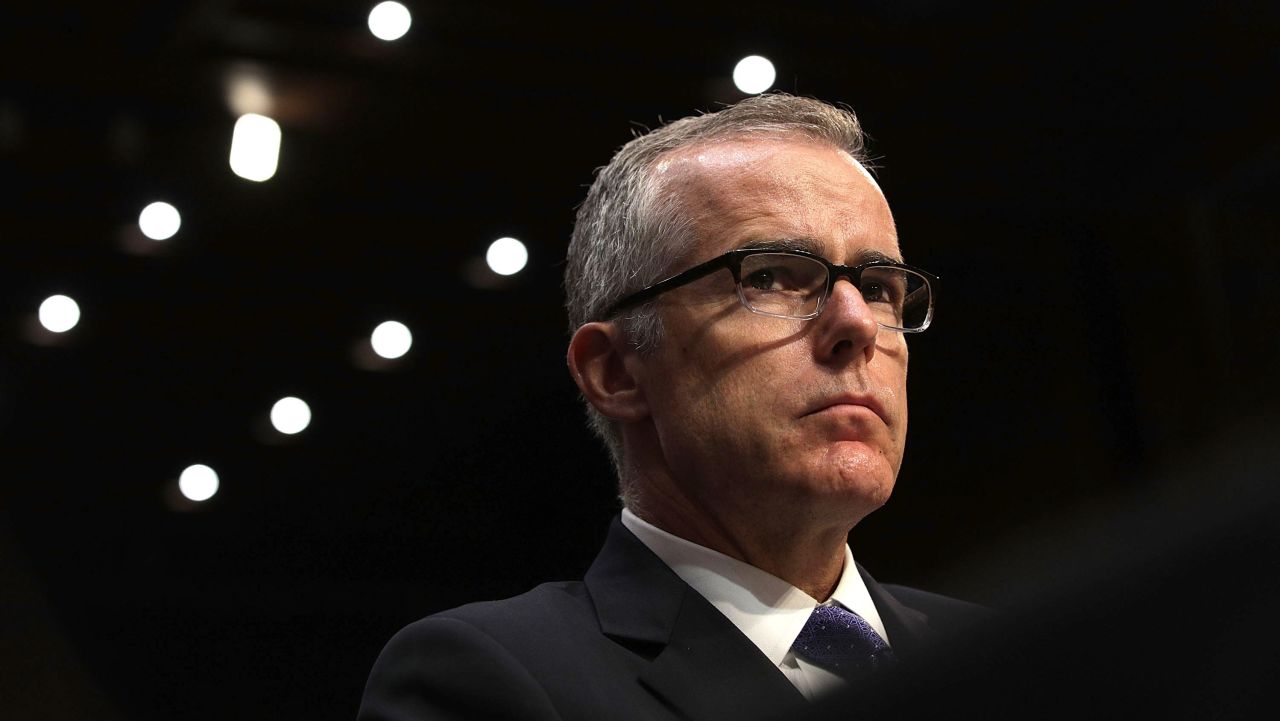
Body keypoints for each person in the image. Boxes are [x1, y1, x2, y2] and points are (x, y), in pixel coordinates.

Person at [358, 93, 985, 721]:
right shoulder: (490, 680)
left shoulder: (1012, 655)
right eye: (768, 275)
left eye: (878, 288)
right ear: (616, 371)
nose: (858, 325)